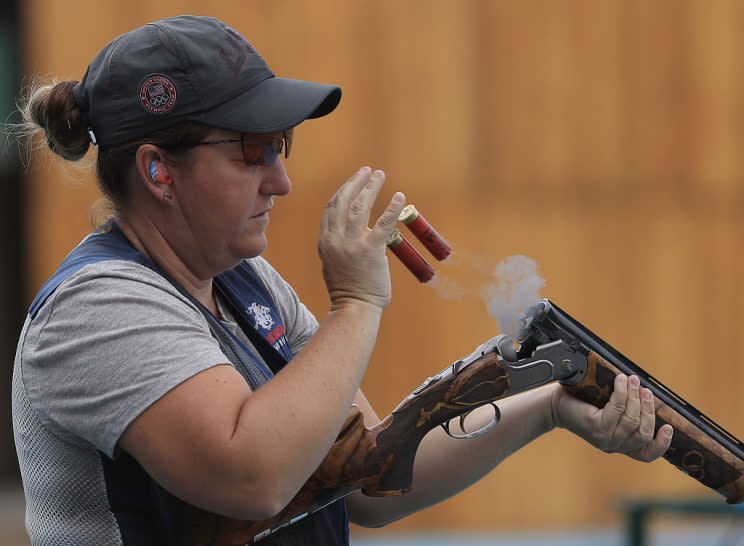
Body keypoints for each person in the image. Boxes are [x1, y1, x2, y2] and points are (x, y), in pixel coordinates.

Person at [12, 15, 673, 546]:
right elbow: (254, 477)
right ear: (159, 171)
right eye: (253, 151)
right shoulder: (97, 306)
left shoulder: (247, 283)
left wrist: (551, 404)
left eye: (283, 146)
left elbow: (373, 482)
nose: (281, 179)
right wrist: (355, 303)